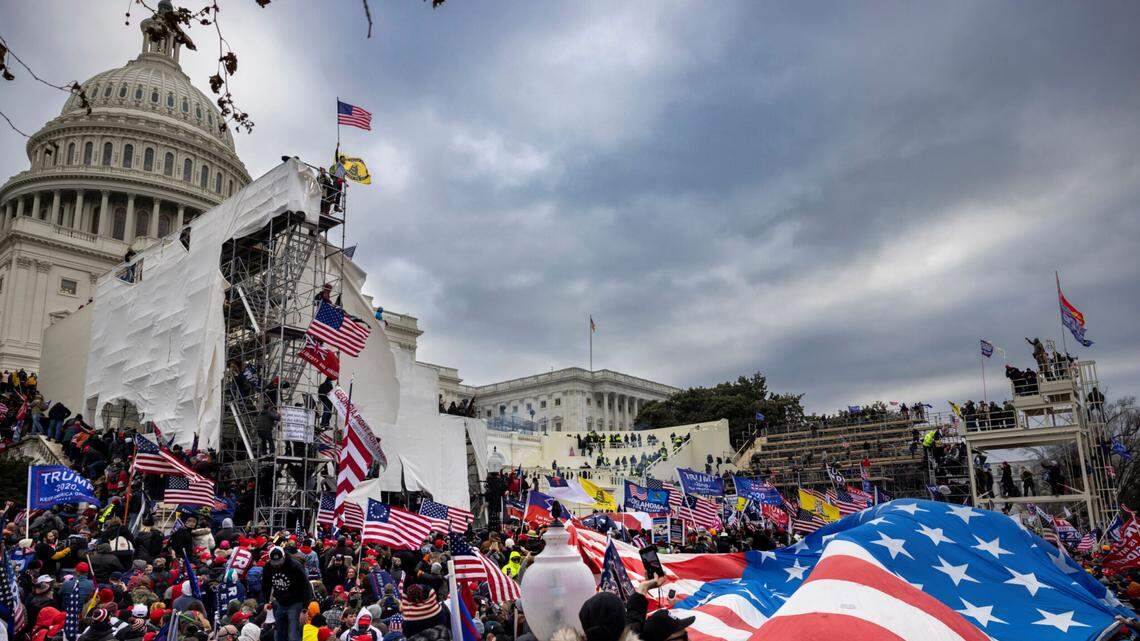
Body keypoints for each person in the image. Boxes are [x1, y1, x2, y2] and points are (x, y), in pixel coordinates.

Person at [261, 546, 316, 641]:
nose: (277, 565)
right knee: (279, 634)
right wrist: (266, 601)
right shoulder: (268, 567)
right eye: (274, 563)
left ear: (284, 556)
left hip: (296, 602)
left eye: (279, 562)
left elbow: (306, 587)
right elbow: (265, 584)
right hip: (280, 602)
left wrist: (304, 609)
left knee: (293, 635)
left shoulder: (295, 566)